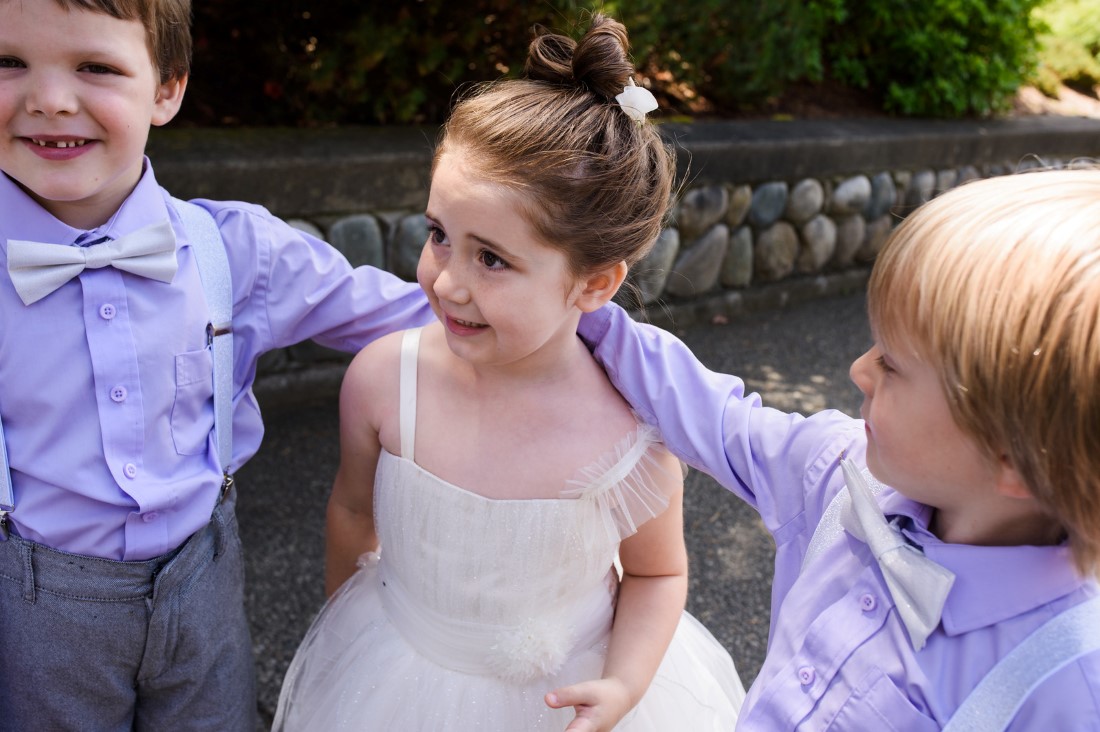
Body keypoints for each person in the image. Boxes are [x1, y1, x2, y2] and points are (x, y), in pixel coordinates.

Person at [273, 15, 744, 732]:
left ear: (593, 284)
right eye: (439, 236)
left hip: (565, 696)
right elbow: (354, 512)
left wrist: (623, 683)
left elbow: (656, 573)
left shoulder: (628, 437)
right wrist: (345, 642)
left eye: (491, 258)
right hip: (399, 675)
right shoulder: (382, 382)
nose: (447, 282)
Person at [0, 1, 434, 729]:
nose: (48, 97)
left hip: (204, 592)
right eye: (7, 62)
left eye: (96, 66)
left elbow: (425, 316)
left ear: (167, 88)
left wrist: (581, 327)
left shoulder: (234, 250)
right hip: (38, 613)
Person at [579, 168, 1100, 729]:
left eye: (892, 366)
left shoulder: (1065, 690)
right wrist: (576, 305)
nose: (859, 370)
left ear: (1017, 458)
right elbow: (717, 416)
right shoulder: (842, 471)